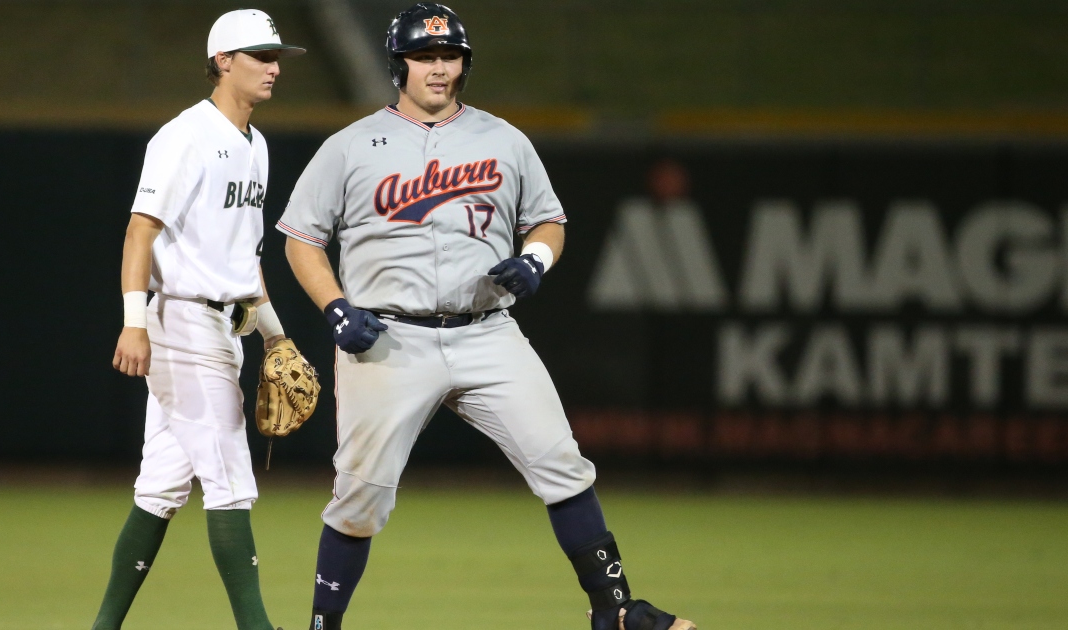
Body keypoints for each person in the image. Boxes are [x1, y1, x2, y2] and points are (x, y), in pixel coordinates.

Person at [277, 4, 695, 630]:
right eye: (425, 57)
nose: (440, 69)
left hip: (487, 331)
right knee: (359, 498)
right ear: (400, 64)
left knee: (561, 462)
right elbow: (300, 238)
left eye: (450, 57)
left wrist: (534, 261)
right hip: (389, 340)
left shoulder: (504, 139)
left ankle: (614, 611)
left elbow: (549, 221)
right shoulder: (351, 146)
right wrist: (336, 307)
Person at [91, 9, 304, 630]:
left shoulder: (256, 145)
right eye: (260, 56)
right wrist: (134, 322)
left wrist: (277, 336)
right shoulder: (183, 136)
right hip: (182, 323)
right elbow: (140, 230)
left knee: (159, 488)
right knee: (232, 481)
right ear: (222, 61)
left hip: (225, 327)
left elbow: (246, 260)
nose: (272, 67)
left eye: (276, 57)